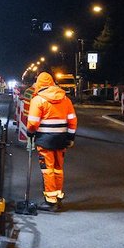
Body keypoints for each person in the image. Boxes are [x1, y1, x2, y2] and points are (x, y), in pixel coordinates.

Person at [26, 71, 78, 212]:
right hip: (61, 140)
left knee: (47, 170)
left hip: (45, 140)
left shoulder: (38, 100)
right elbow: (72, 120)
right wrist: (70, 138)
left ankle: (50, 202)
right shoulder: (65, 99)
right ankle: (58, 196)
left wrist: (30, 133)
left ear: (39, 83)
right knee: (58, 169)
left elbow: (33, 123)